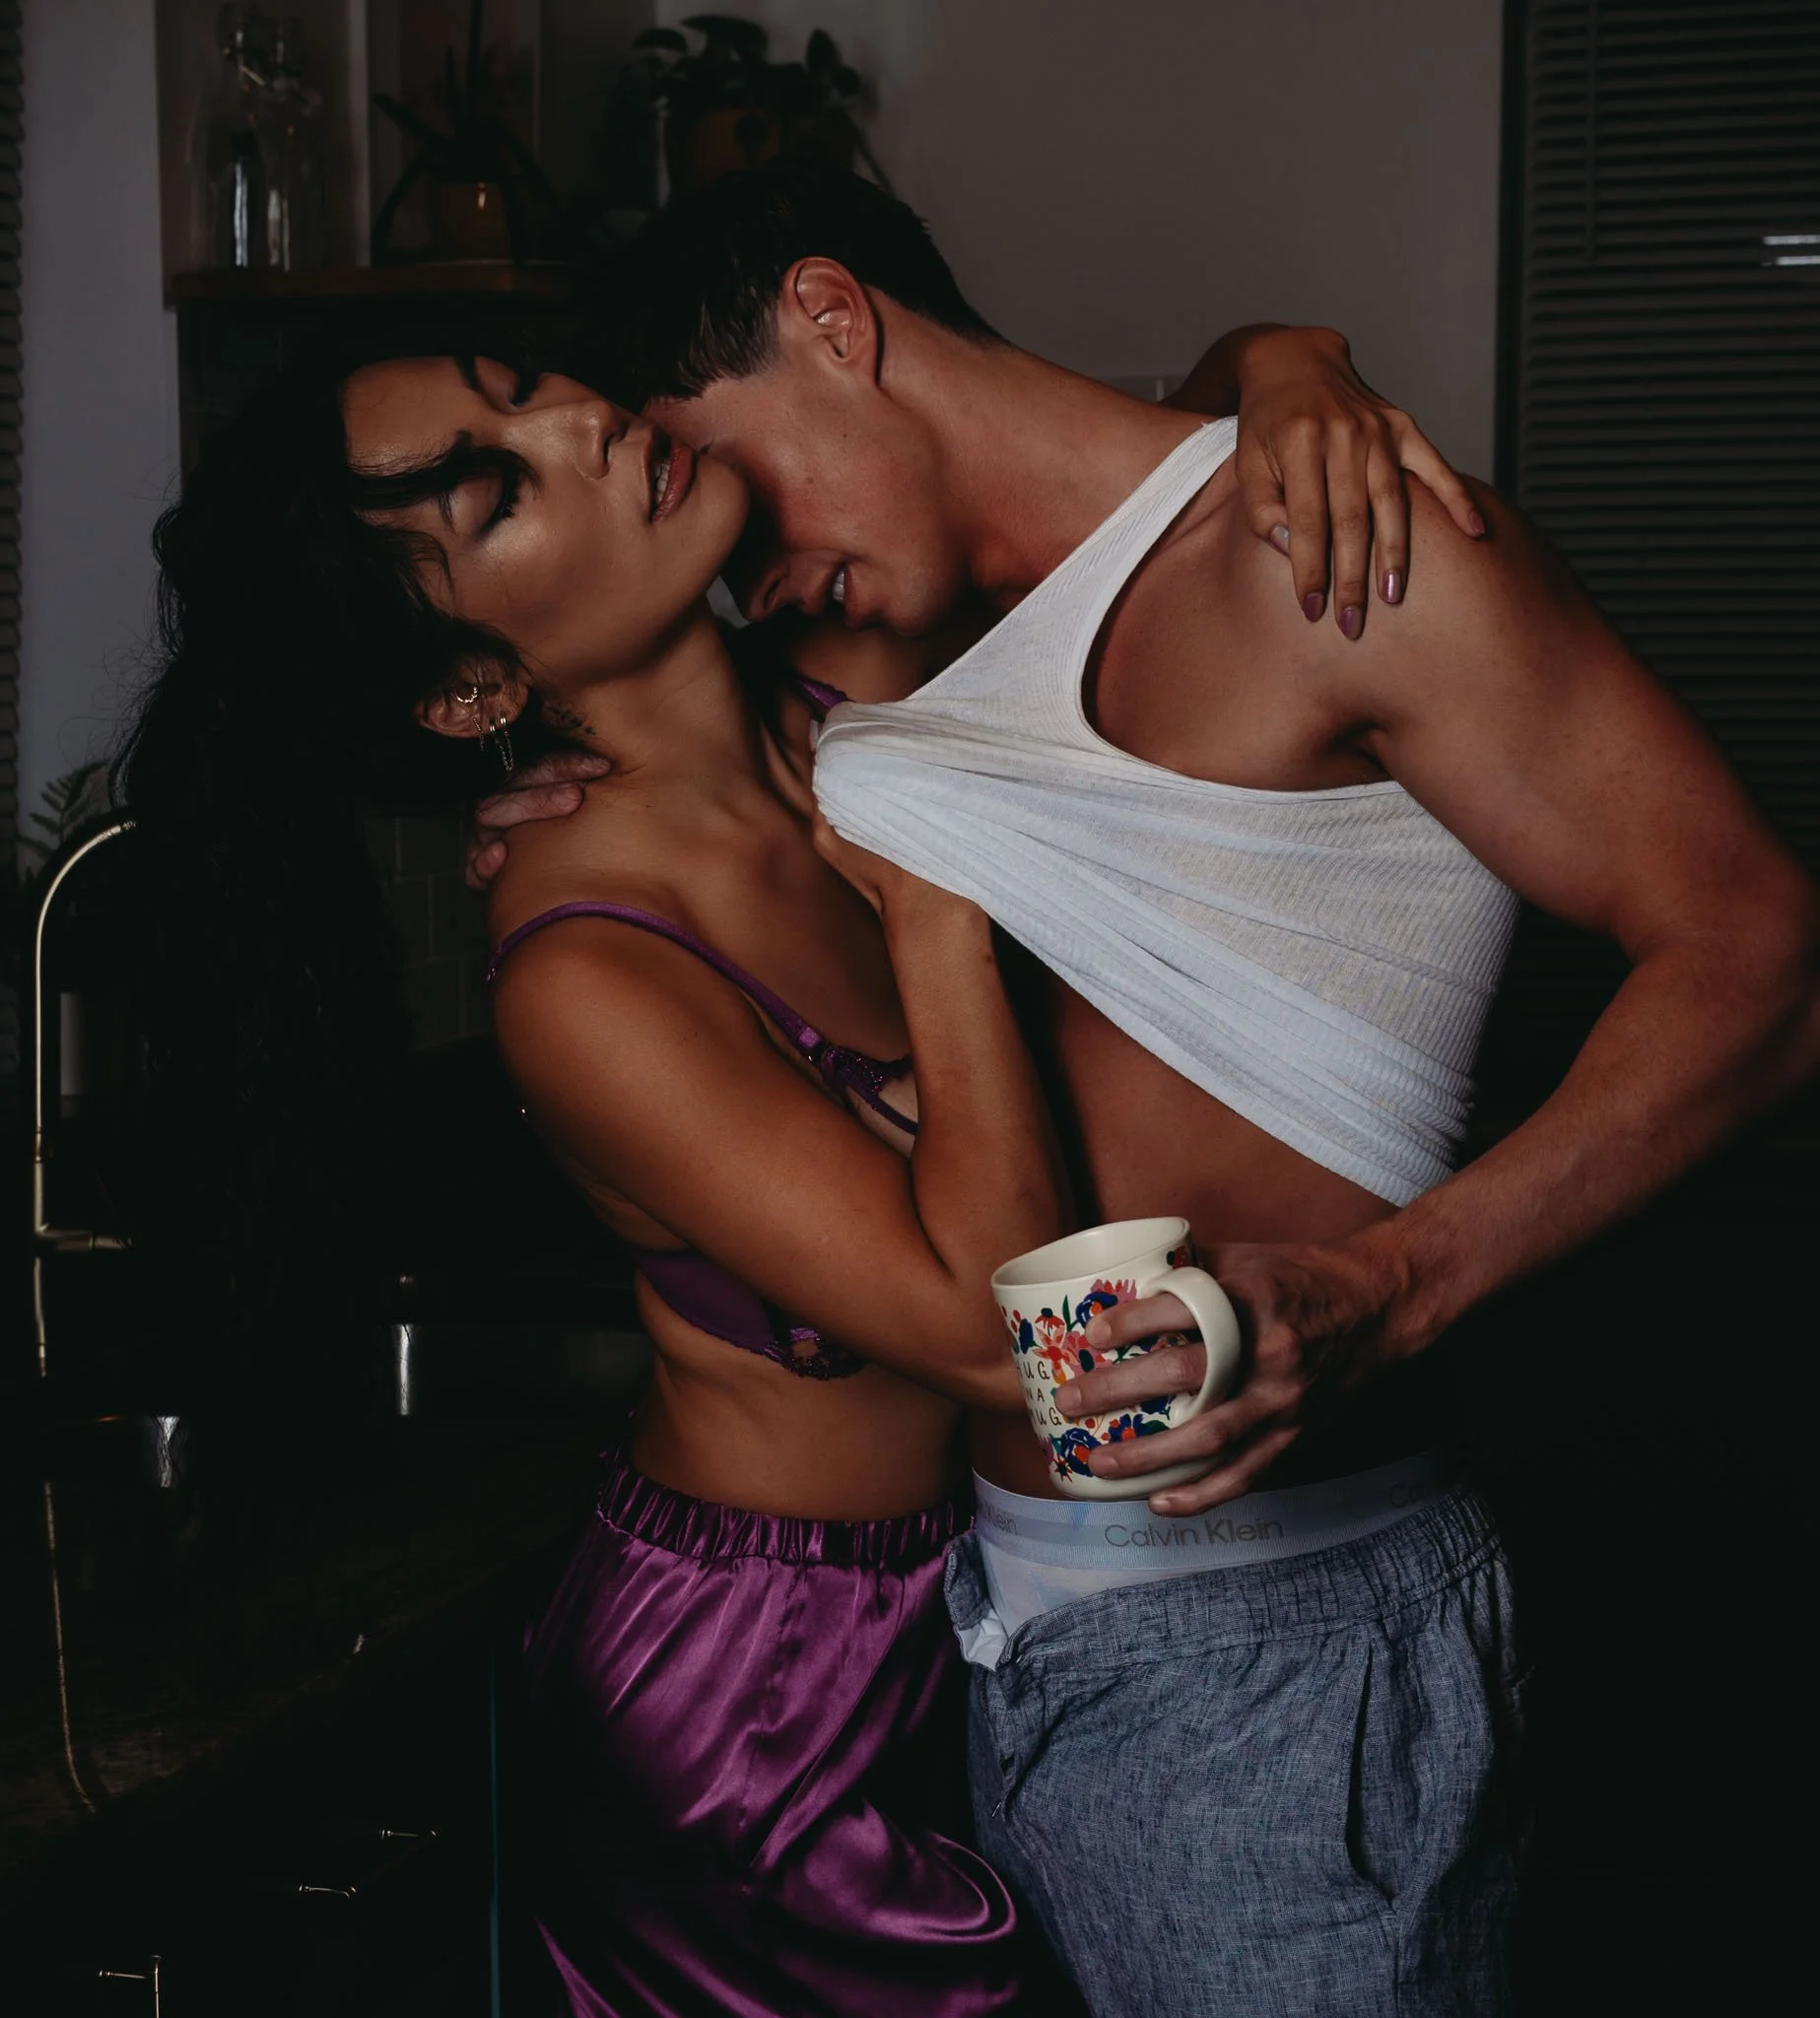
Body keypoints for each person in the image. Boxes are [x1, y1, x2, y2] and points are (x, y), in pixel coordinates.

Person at [474, 165, 1820, 2015]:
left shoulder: (1337, 555)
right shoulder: (903, 629)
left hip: (1271, 1642)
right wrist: (1281, 354)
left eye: (732, 480)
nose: (746, 570)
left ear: (832, 320)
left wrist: (1399, 1285)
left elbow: (1764, 965)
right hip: (988, 1636)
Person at [117, 310, 1449, 2017]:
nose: (584, 425)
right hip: (757, 1707)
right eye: (497, 489)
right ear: (468, 690)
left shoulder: (852, 685)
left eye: (527, 390)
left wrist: (1287, 365)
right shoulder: (589, 972)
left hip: (987, 1603)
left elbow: (1119, 498)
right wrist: (939, 919)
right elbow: (1000, 1349)